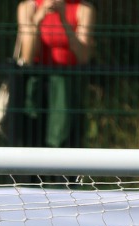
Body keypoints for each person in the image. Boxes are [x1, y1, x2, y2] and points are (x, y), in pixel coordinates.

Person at [12, 0, 95, 150]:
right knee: (32, 139)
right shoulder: (27, 7)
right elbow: (27, 57)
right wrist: (37, 19)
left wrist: (64, 20)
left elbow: (83, 56)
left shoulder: (83, 9)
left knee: (65, 142)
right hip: (35, 86)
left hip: (67, 88)